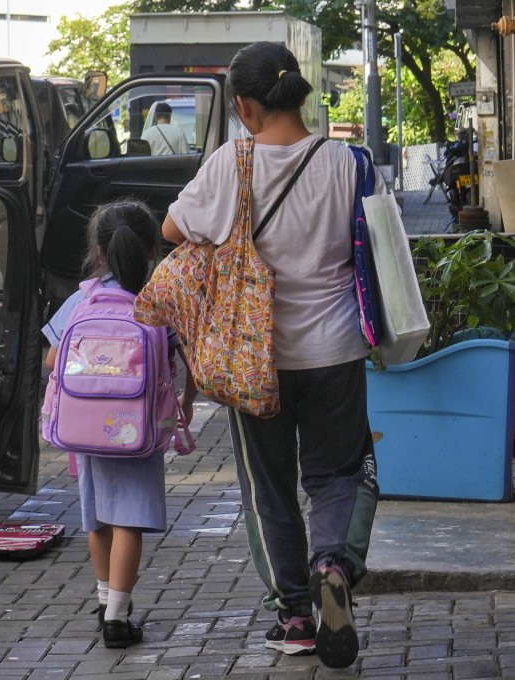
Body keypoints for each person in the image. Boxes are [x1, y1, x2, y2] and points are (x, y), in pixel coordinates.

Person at [161, 41, 383, 669]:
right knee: (339, 474)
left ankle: (294, 614)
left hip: (252, 355)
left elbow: (173, 232)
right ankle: (333, 562)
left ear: (245, 106)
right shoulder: (350, 162)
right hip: (336, 349)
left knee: (271, 487)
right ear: (302, 93)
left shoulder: (232, 162)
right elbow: (377, 248)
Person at [42, 201, 197, 649]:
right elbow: (187, 360)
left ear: (99, 249)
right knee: (128, 518)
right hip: (137, 429)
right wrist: (186, 400)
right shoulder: (157, 299)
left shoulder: (82, 298)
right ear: (152, 249)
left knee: (98, 519)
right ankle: (117, 618)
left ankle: (104, 599)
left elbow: (53, 358)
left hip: (84, 430)